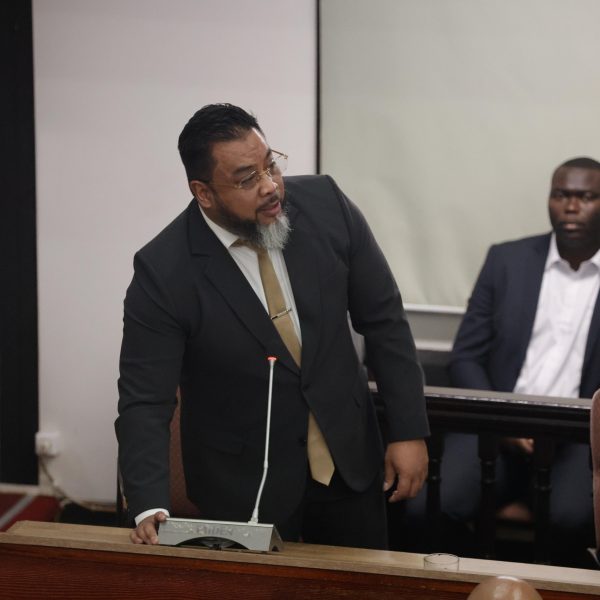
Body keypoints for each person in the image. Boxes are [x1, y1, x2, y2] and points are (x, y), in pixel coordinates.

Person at [115, 103, 429, 549]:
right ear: (203, 193)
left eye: (271, 165)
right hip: (243, 484)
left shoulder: (327, 204)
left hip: (349, 464)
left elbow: (384, 319)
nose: (269, 186)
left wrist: (408, 430)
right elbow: (146, 399)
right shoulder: (164, 271)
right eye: (247, 179)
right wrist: (148, 503)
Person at [397, 157, 600, 562]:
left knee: (573, 521)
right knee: (427, 507)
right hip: (498, 429)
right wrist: (503, 420)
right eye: (561, 195)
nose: (571, 207)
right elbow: (466, 356)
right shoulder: (507, 260)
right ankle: (479, 581)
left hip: (579, 438)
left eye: (586, 197)